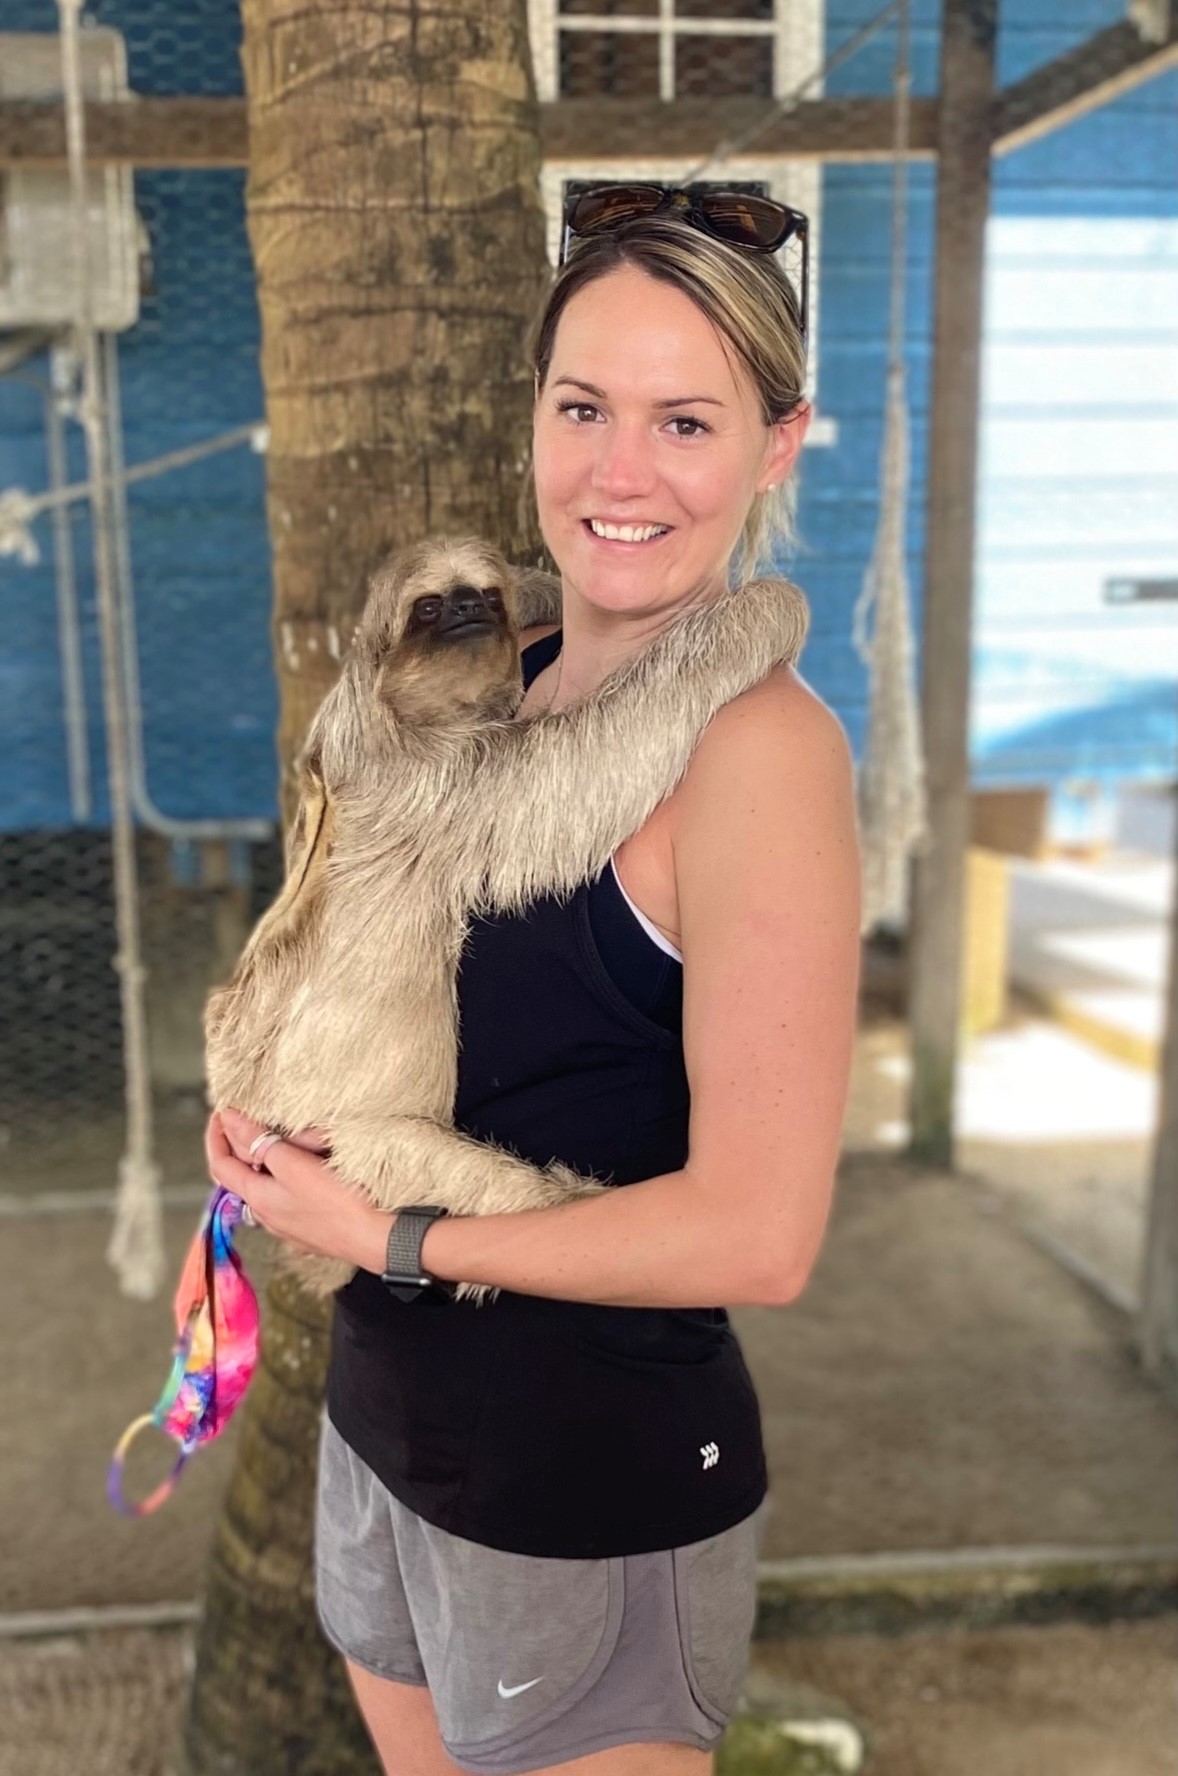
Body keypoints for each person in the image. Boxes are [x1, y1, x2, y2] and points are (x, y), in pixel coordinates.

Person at [208, 194, 862, 1776]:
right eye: (582, 408)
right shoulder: (478, 682)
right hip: (386, 1430)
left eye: (684, 421)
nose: (616, 471)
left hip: (588, 1484)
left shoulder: (756, 752)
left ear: (778, 446)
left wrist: (387, 1233)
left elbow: (760, 1237)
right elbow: (369, 980)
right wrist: (261, 1169)